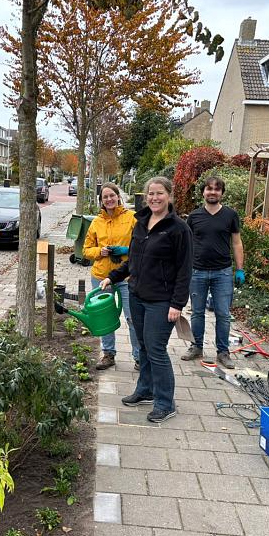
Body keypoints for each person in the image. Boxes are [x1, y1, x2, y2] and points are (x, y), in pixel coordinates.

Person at [100, 176, 192, 423]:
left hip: (162, 301)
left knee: (156, 349)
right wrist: (113, 276)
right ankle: (145, 390)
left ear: (169, 196)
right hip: (137, 296)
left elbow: (185, 270)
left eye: (159, 193)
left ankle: (165, 402)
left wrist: (177, 304)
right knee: (143, 347)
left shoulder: (179, 229)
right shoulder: (141, 223)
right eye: (151, 193)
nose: (154, 198)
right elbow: (133, 260)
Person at [181, 175, 245, 369]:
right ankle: (196, 346)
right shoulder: (194, 217)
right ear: (203, 192)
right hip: (197, 271)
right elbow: (185, 245)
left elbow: (237, 242)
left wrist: (240, 269)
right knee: (197, 312)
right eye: (209, 189)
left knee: (223, 314)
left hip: (222, 272)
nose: (212, 192)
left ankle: (223, 352)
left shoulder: (230, 215)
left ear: (221, 193)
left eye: (217, 189)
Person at [83, 183, 139, 370]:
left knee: (132, 317)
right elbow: (86, 250)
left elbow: (143, 245)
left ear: (118, 196)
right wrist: (100, 251)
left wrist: (126, 250)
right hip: (101, 276)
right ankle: (108, 354)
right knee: (104, 317)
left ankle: (139, 356)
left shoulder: (132, 218)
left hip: (127, 276)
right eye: (105, 197)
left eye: (112, 195)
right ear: (101, 201)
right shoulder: (96, 222)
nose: (109, 199)